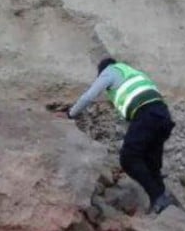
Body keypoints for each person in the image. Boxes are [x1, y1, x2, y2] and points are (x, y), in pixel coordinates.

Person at [68, 58, 179, 213]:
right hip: (163, 115)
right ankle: (164, 205)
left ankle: (159, 198)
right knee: (151, 163)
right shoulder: (133, 73)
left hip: (146, 114)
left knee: (129, 159)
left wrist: (70, 114)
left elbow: (89, 96)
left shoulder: (109, 71)